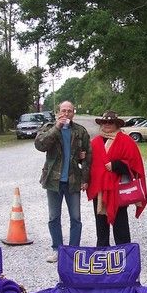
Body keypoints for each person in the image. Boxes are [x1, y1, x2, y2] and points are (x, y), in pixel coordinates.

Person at [35, 101, 92, 263]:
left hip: (73, 180)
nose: (66, 113)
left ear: (73, 113)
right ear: (58, 112)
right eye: (63, 110)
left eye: (69, 111)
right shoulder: (49, 128)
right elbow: (40, 145)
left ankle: (73, 252)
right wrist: (57, 127)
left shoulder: (80, 131)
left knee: (76, 218)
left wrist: (85, 179)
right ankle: (57, 250)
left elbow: (88, 156)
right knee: (54, 217)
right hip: (53, 180)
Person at [87, 111, 147, 246]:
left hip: (118, 189)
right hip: (99, 188)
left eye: (111, 122)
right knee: (101, 222)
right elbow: (89, 163)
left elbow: (135, 164)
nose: (107, 124)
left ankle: (123, 249)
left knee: (120, 221)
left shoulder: (126, 141)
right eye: (104, 122)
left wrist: (117, 165)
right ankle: (102, 249)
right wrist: (81, 158)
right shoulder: (95, 142)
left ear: (116, 124)